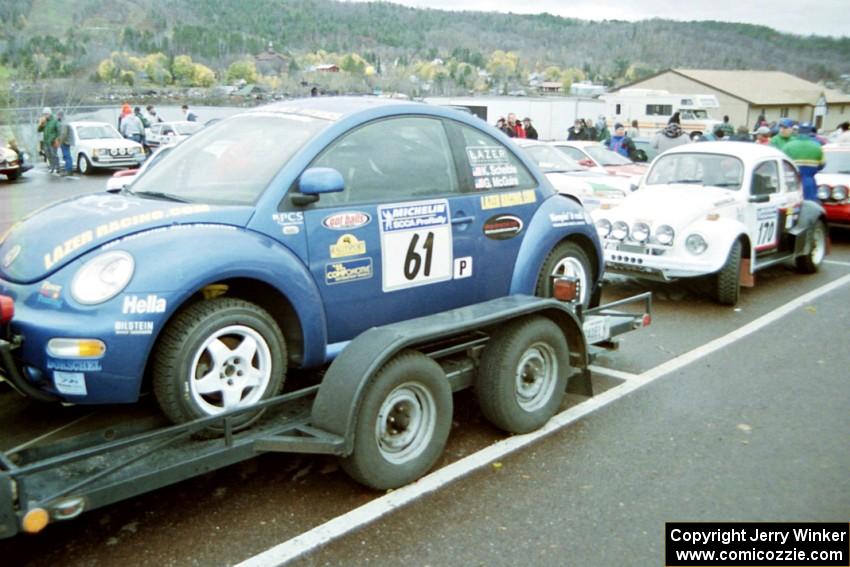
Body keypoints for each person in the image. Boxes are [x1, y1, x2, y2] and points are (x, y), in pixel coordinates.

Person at [782, 123, 824, 202]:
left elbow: (782, 164)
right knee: (810, 204)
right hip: (809, 182)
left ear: (798, 132)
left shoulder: (787, 146)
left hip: (791, 183)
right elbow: (822, 165)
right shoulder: (817, 147)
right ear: (810, 133)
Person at [37, 107, 61, 175]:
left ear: (50, 114)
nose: (45, 115)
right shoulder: (44, 121)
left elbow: (59, 131)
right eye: (44, 114)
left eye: (46, 114)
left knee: (54, 155)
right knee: (48, 155)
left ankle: (57, 168)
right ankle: (51, 167)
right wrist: (41, 124)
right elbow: (39, 130)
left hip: (53, 141)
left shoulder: (55, 120)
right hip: (46, 141)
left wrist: (57, 139)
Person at [56, 111, 73, 176]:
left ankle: (68, 171)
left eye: (58, 116)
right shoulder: (65, 122)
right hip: (66, 141)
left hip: (65, 142)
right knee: (67, 156)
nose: (57, 117)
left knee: (66, 156)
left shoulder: (63, 123)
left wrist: (60, 142)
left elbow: (63, 134)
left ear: (60, 116)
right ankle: (68, 170)